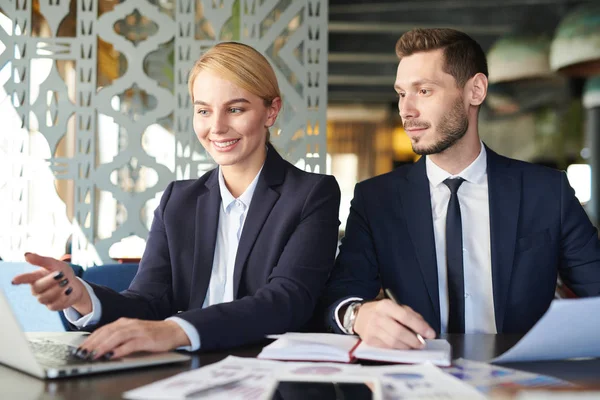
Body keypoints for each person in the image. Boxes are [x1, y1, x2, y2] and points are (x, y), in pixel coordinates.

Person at [12, 42, 341, 359]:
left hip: (267, 369)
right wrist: (84, 296)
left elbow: (286, 301)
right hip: (184, 367)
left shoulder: (312, 194)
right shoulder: (179, 200)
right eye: (203, 110)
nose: (217, 127)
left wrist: (177, 330)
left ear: (271, 111)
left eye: (235, 109)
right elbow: (147, 302)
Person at [319, 28, 600, 349]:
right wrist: (359, 315)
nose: (406, 110)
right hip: (419, 381)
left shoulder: (548, 192)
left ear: (475, 91)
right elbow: (338, 297)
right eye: (401, 93)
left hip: (521, 385)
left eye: (423, 91)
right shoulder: (376, 199)